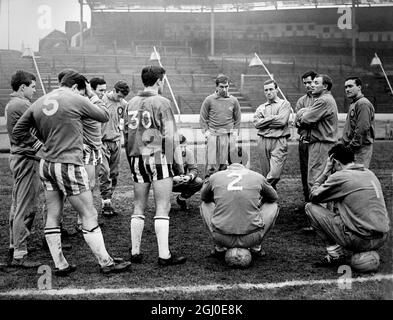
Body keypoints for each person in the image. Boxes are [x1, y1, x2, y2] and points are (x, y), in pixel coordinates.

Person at [12, 71, 131, 276]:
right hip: (68, 164)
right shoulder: (75, 97)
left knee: (53, 213)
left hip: (46, 165)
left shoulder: (40, 100)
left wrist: (41, 147)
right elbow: (103, 115)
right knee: (89, 213)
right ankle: (106, 262)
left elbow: (18, 131)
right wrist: (92, 93)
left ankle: (60, 264)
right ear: (77, 87)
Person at [124, 65, 186, 266]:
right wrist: (178, 165)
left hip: (136, 157)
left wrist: (132, 159)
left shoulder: (130, 103)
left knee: (138, 206)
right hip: (158, 156)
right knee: (163, 206)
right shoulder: (163, 102)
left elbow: (126, 136)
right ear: (159, 81)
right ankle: (164, 255)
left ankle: (135, 252)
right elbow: (170, 137)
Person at [305, 143, 390, 267]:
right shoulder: (369, 173)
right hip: (382, 238)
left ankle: (335, 254)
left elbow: (313, 196)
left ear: (335, 162)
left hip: (361, 240)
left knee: (310, 208)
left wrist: (325, 172)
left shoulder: (340, 176)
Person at [200, 146, 279, 260]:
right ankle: (256, 247)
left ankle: (219, 248)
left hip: (221, 236)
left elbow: (204, 197)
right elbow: (273, 197)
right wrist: (258, 203)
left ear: (227, 162)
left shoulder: (215, 177)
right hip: (252, 237)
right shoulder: (257, 177)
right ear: (246, 162)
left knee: (205, 205)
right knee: (273, 205)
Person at [5, 70, 42, 268]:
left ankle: (14, 244)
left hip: (21, 157)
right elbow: (27, 134)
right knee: (25, 206)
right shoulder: (20, 104)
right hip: (26, 158)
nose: (34, 91)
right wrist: (42, 149)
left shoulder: (14, 103)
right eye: (33, 87)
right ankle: (20, 252)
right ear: (22, 87)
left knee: (18, 203)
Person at [297, 74, 338, 192]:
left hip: (321, 144)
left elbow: (305, 119)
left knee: (315, 178)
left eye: (316, 83)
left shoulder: (323, 100)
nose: (312, 86)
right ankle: (326, 207)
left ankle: (319, 209)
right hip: (324, 143)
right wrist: (306, 112)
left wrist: (302, 113)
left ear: (325, 86)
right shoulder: (327, 99)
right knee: (325, 177)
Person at [199, 74, 241, 177]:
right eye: (221, 87)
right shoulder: (209, 100)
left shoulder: (233, 100)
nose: (224, 89)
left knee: (228, 163)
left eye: (226, 86)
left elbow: (238, 118)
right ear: (217, 87)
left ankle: (224, 186)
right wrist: (207, 133)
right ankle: (209, 185)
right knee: (212, 164)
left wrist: (235, 133)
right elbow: (203, 117)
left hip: (229, 135)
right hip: (214, 135)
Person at [253, 79, 291, 190]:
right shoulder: (261, 107)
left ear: (277, 90)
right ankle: (270, 203)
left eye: (271, 89)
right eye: (266, 90)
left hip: (279, 141)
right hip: (263, 140)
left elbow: (282, 121)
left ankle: (262, 192)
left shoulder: (284, 104)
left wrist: (265, 120)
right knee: (266, 174)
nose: (268, 92)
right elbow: (256, 123)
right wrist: (274, 117)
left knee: (274, 174)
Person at [99, 80, 130, 216]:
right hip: (102, 142)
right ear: (115, 90)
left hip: (116, 142)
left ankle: (108, 200)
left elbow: (127, 121)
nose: (120, 99)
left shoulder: (123, 104)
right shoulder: (101, 100)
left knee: (114, 173)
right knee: (104, 172)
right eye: (119, 95)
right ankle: (105, 202)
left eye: (123, 97)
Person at [342, 76, 375, 168]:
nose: (347, 89)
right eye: (346, 87)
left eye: (350, 86)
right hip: (353, 147)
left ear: (359, 87)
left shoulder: (362, 103)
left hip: (359, 148)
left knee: (358, 176)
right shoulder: (355, 103)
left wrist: (352, 146)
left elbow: (362, 128)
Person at [295, 70, 317, 203]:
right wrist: (307, 118)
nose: (308, 85)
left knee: (316, 172)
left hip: (317, 141)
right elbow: (298, 122)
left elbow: (318, 121)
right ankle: (307, 201)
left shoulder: (322, 99)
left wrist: (307, 117)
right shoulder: (301, 101)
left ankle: (318, 201)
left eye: (310, 82)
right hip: (304, 140)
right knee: (305, 172)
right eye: (305, 83)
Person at [172, 134, 203, 210]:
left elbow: (194, 169)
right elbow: (158, 174)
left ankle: (181, 198)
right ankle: (163, 204)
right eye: (180, 147)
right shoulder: (166, 155)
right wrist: (172, 178)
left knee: (198, 182)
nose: (183, 149)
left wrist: (189, 176)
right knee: (160, 183)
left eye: (184, 146)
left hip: (182, 181)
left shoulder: (188, 152)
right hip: (167, 182)